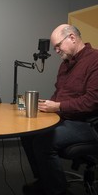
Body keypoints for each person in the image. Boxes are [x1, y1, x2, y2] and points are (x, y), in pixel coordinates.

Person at [21, 24, 98, 195]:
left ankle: (58, 191)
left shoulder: (95, 60)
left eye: (58, 45)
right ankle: (45, 181)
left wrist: (58, 106)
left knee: (43, 142)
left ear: (72, 37)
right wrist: (45, 106)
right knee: (27, 134)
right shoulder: (65, 64)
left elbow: (92, 102)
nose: (56, 50)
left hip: (87, 124)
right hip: (64, 117)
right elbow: (60, 94)